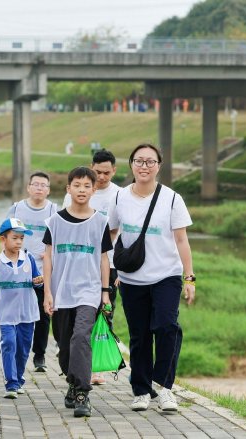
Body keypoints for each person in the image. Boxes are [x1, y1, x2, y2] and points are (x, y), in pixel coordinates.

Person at [108, 143, 196, 413]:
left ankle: (166, 388)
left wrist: (189, 277)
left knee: (167, 326)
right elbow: (111, 234)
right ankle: (141, 390)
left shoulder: (172, 198)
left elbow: (181, 239)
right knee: (140, 335)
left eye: (150, 161)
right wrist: (112, 271)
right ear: (131, 165)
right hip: (132, 278)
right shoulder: (120, 197)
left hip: (166, 275)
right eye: (138, 161)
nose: (144, 166)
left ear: (159, 165)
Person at [43, 167, 112, 418]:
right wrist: (47, 293)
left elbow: (104, 259)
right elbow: (48, 258)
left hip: (89, 291)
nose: (82, 190)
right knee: (64, 344)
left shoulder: (100, 221)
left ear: (94, 190)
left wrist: (104, 292)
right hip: (62, 292)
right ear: (68, 189)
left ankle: (82, 392)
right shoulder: (54, 222)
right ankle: (72, 382)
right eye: (77, 185)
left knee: (81, 336)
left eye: (86, 186)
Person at [62, 149, 120, 386]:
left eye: (107, 172)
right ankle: (74, 360)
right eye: (98, 172)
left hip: (109, 262)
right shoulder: (77, 191)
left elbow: (116, 230)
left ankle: (96, 367)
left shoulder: (119, 194)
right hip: (76, 264)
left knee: (103, 314)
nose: (103, 176)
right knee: (74, 322)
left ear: (114, 171)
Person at [0, 218, 43, 399]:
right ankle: (11, 383)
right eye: (15, 238)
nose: (19, 242)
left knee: (23, 348)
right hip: (6, 312)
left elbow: (36, 280)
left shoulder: (29, 258)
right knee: (9, 343)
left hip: (28, 312)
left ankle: (19, 378)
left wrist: (39, 281)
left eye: (21, 238)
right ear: (3, 239)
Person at [6, 171, 58, 373]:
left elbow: (59, 237)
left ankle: (40, 354)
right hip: (20, 267)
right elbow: (5, 236)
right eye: (35, 184)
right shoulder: (17, 208)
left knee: (44, 312)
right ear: (28, 187)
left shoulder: (54, 210)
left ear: (48, 190)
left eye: (43, 185)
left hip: (44, 268)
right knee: (19, 309)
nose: (39, 188)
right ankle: (19, 349)